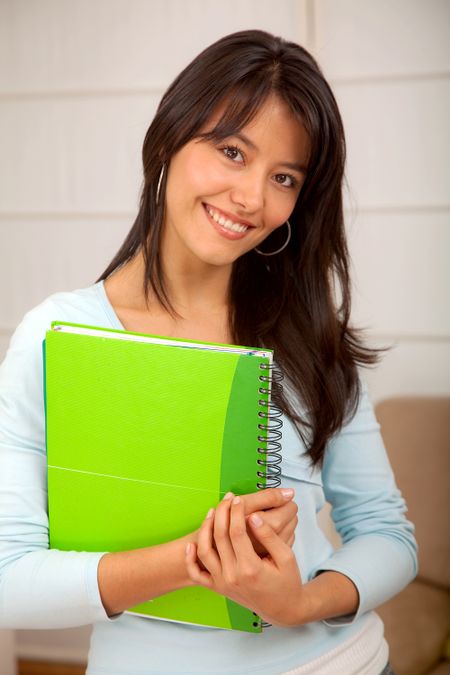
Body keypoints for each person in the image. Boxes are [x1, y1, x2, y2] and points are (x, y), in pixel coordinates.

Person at [0, 30, 416, 675]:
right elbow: (9, 580)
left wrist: (299, 602)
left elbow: (387, 534)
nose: (251, 198)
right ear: (169, 138)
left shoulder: (310, 332)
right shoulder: (59, 337)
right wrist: (198, 558)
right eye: (231, 151)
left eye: (283, 177)